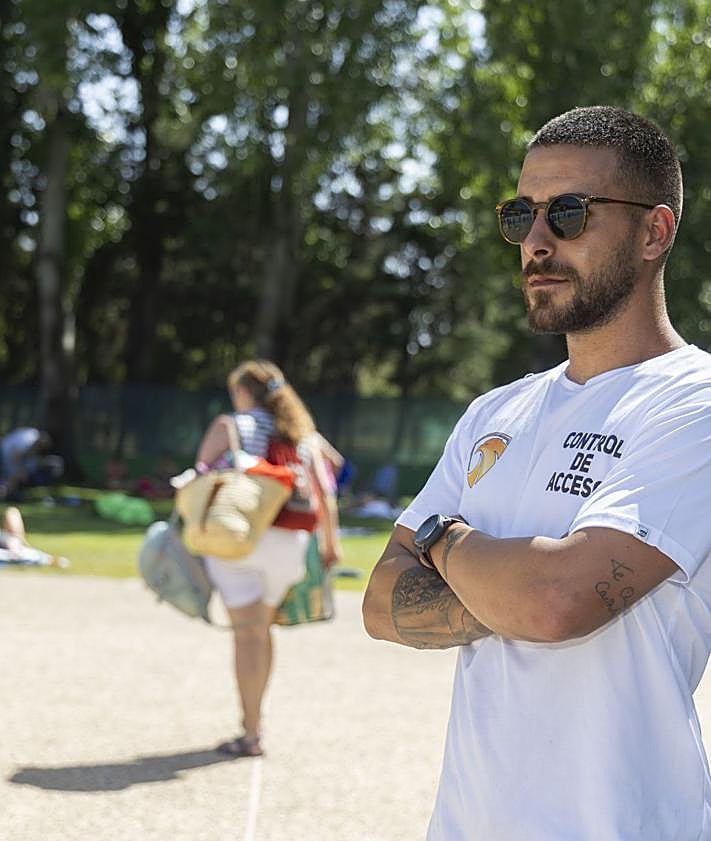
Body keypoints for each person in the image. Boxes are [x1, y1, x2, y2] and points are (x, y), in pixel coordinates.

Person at [362, 106, 711, 840]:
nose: (536, 241)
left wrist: (439, 538)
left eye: (569, 212)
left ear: (654, 232)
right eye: (521, 214)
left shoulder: (695, 402)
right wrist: (510, 585)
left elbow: (557, 602)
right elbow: (379, 601)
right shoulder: (496, 411)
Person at [195, 359, 342, 758]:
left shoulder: (231, 425)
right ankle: (256, 723)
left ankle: (250, 731)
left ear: (244, 392)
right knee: (261, 628)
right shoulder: (301, 433)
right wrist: (331, 544)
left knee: (246, 632)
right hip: (291, 542)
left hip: (243, 539)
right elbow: (328, 485)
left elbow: (200, 476)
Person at [0, 506, 67, 567]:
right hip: (13, 553)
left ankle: (51, 561)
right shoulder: (9, 539)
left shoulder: (7, 537)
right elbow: (15, 552)